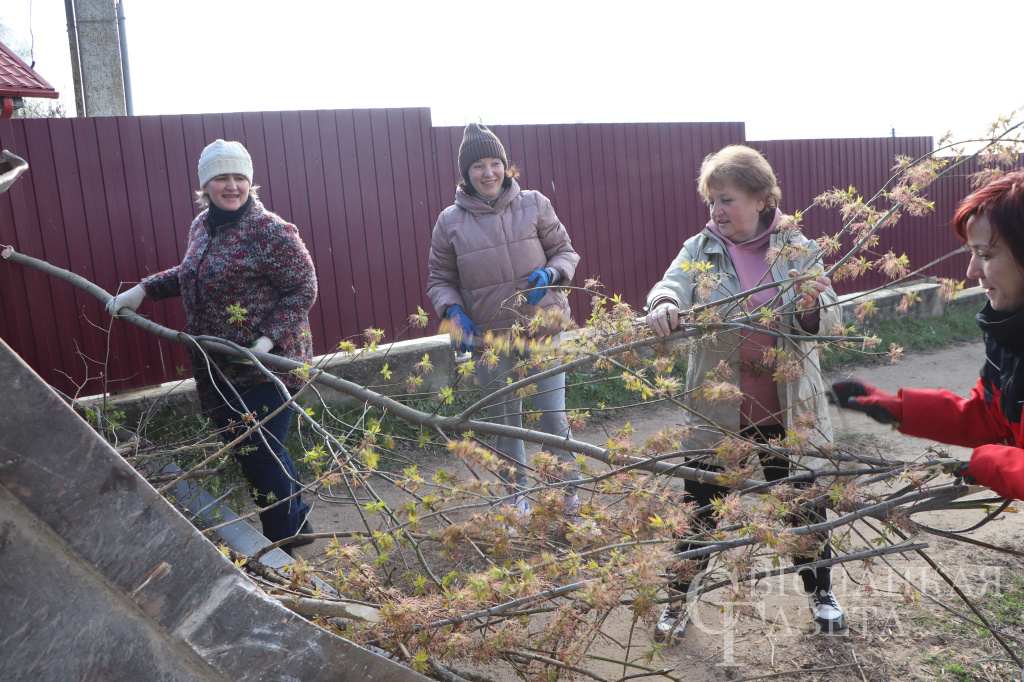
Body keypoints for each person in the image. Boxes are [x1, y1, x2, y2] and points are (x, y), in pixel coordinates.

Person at [645, 145, 844, 641]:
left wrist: (811, 306)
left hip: (787, 408)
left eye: (727, 199)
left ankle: (821, 592)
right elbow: (670, 284)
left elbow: (831, 321)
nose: (716, 210)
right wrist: (664, 302)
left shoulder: (797, 247)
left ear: (760, 198)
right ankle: (676, 602)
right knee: (700, 511)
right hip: (718, 412)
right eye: (711, 200)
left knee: (803, 505)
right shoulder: (700, 249)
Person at [106, 139, 318, 554]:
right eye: (222, 177)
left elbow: (303, 288)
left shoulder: (270, 231)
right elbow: (193, 272)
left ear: (251, 183)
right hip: (220, 366)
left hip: (270, 365)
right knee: (262, 450)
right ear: (206, 184)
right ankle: (298, 521)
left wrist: (267, 339)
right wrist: (143, 290)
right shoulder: (202, 225)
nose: (232, 186)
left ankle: (280, 551)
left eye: (240, 177)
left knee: (259, 456)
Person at [833, 170, 1024, 501]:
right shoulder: (1007, 335)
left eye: (986, 255)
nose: (971, 271)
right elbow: (988, 418)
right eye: (971, 253)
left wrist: (993, 464)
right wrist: (899, 409)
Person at [426, 123, 581, 518]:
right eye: (478, 165)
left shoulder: (535, 203)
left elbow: (565, 251)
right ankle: (516, 501)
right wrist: (453, 312)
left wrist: (552, 273)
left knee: (552, 418)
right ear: (466, 174)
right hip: (490, 341)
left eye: (495, 163)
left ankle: (567, 496)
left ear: (507, 166)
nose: (488, 172)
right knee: (505, 423)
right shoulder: (449, 222)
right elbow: (440, 280)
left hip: (542, 332)